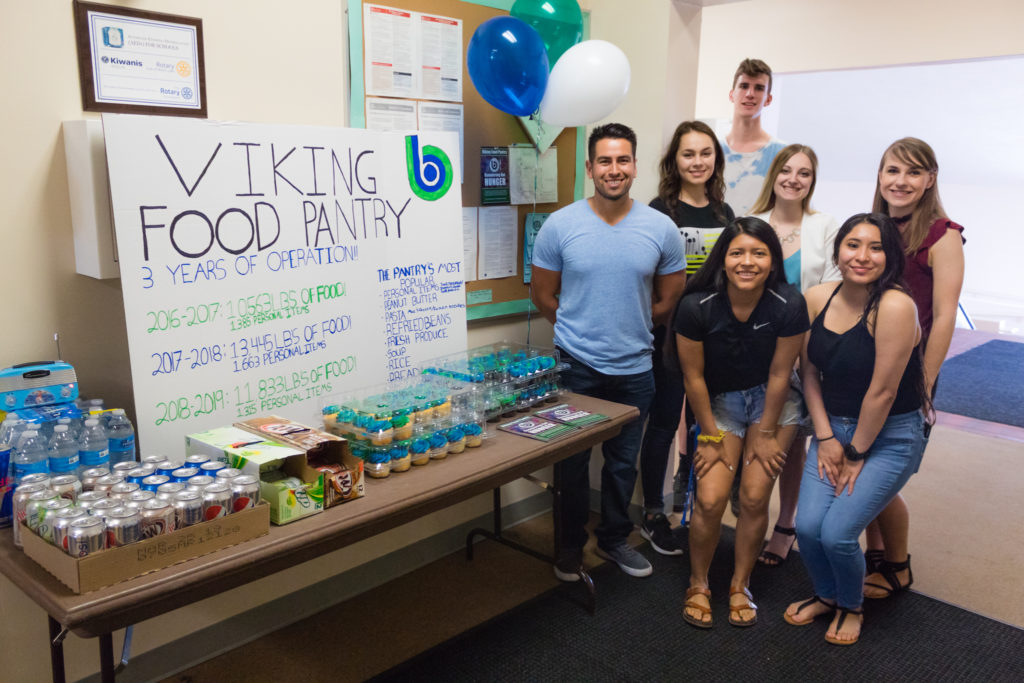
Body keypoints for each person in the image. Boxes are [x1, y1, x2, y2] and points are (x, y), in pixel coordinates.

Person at [531, 123, 686, 580]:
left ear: (635, 166)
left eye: (622, 160)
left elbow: (669, 298)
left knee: (622, 464)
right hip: (575, 366)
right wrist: (582, 330)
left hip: (636, 369)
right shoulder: (561, 225)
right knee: (572, 464)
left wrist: (629, 326)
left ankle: (616, 539)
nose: (613, 170)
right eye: (604, 161)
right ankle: (569, 548)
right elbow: (543, 295)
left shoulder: (661, 229)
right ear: (590, 168)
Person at [784, 212, 928, 646]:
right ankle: (827, 595)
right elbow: (808, 374)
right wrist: (826, 439)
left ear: (890, 256)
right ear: (838, 249)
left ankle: (851, 605)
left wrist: (855, 453)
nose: (862, 256)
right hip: (836, 428)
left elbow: (882, 393)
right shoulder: (817, 297)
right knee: (807, 528)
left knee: (839, 532)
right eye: (853, 244)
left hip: (889, 435)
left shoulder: (896, 306)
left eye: (876, 247)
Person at [675, 217, 807, 628]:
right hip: (720, 405)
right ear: (723, 259)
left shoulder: (789, 302)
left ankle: (740, 584)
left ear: (772, 261)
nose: (746, 262)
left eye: (758, 253)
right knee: (711, 498)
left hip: (774, 403)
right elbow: (693, 377)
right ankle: (698, 583)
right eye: (737, 253)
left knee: (752, 496)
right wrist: (710, 435)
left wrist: (765, 433)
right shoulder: (696, 305)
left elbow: (781, 375)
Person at [862, 138, 965, 598]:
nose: (900, 182)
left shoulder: (943, 235)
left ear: (930, 180)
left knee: (883, 470)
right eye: (892, 171)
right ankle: (875, 557)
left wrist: (924, 384)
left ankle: (898, 565)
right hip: (867, 365)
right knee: (865, 459)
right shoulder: (875, 228)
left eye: (912, 173)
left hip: (910, 375)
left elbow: (944, 315)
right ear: (880, 176)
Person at [638, 120, 735, 555]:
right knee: (662, 424)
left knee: (702, 425)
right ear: (674, 161)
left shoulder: (724, 214)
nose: (698, 161)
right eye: (688, 153)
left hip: (713, 336)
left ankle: (693, 502)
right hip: (667, 335)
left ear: (716, 160)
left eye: (705, 153)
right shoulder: (659, 211)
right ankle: (654, 513)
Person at [749, 144, 841, 566]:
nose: (794, 179)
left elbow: (833, 289)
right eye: (786, 170)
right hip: (755, 346)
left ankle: (786, 523)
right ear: (774, 175)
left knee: (794, 438)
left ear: (812, 182)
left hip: (805, 347)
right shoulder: (750, 222)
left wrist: (803, 342)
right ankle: (750, 514)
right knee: (756, 431)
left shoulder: (824, 226)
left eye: (804, 173)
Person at [722, 58, 787, 215]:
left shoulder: (782, 154)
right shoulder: (711, 151)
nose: (750, 94)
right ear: (732, 95)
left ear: (768, 99)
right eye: (744, 86)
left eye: (759, 88)